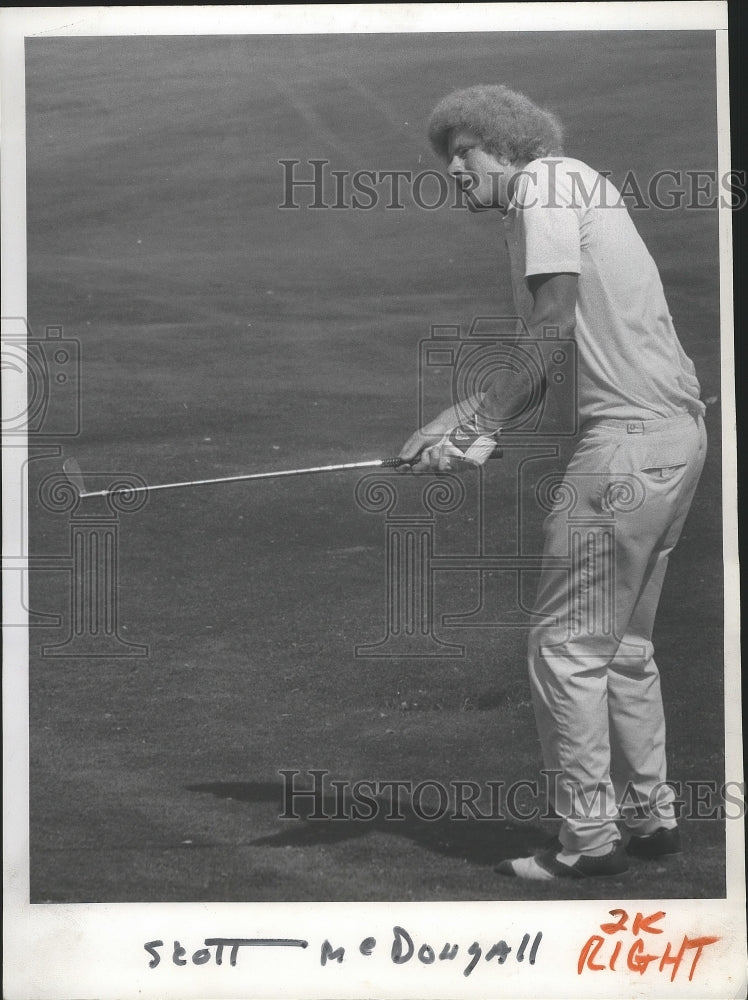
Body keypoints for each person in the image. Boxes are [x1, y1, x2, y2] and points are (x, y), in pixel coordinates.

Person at [399, 85, 707, 880]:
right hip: (675, 441)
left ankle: (588, 843)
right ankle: (652, 823)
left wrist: (483, 430)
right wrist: (460, 418)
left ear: (503, 147)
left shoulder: (540, 190)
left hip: (625, 453)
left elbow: (551, 326)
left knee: (565, 648)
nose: (456, 175)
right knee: (623, 647)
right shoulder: (575, 181)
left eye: (463, 157)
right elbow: (551, 351)